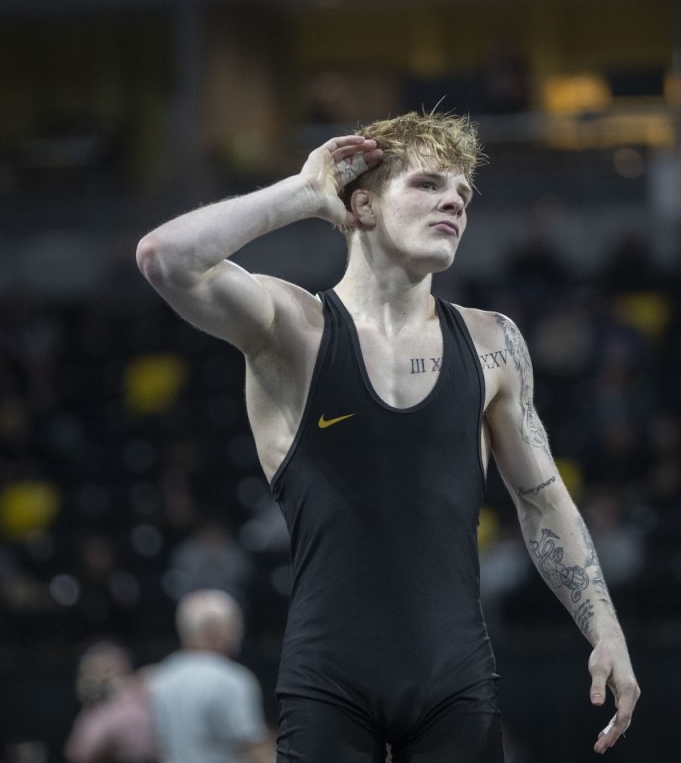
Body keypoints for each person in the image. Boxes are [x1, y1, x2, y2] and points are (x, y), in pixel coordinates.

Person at [137, 111, 640, 760]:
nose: (454, 201)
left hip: (455, 677)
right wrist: (302, 192)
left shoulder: (493, 343)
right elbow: (164, 258)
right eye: (429, 184)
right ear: (363, 206)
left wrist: (605, 627)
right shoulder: (295, 327)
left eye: (462, 192)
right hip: (329, 683)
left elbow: (542, 499)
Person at [147, 589, 272, 763]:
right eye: (235, 626)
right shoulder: (232, 679)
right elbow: (252, 749)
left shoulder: (162, 676)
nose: (239, 634)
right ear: (215, 630)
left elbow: (157, 745)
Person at [64, 641, 156, 763]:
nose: (91, 680)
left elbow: (83, 751)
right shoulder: (98, 706)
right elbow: (78, 752)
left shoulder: (140, 692)